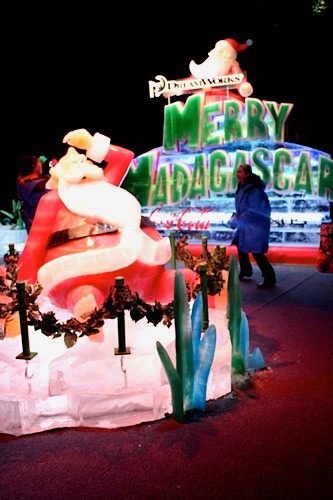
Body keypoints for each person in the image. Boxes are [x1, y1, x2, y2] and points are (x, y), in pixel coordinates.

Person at [228, 164, 276, 288]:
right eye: (237, 172)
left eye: (240, 172)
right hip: (247, 225)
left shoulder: (254, 190)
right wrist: (236, 217)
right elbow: (242, 208)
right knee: (240, 245)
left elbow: (255, 210)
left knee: (257, 252)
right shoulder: (242, 188)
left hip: (256, 226)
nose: (237, 174)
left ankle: (269, 277)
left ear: (247, 173)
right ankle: (246, 270)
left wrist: (239, 218)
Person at [16, 154, 50, 233]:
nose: (41, 164)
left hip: (34, 226)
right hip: (41, 228)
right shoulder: (36, 186)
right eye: (38, 162)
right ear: (32, 167)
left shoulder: (24, 183)